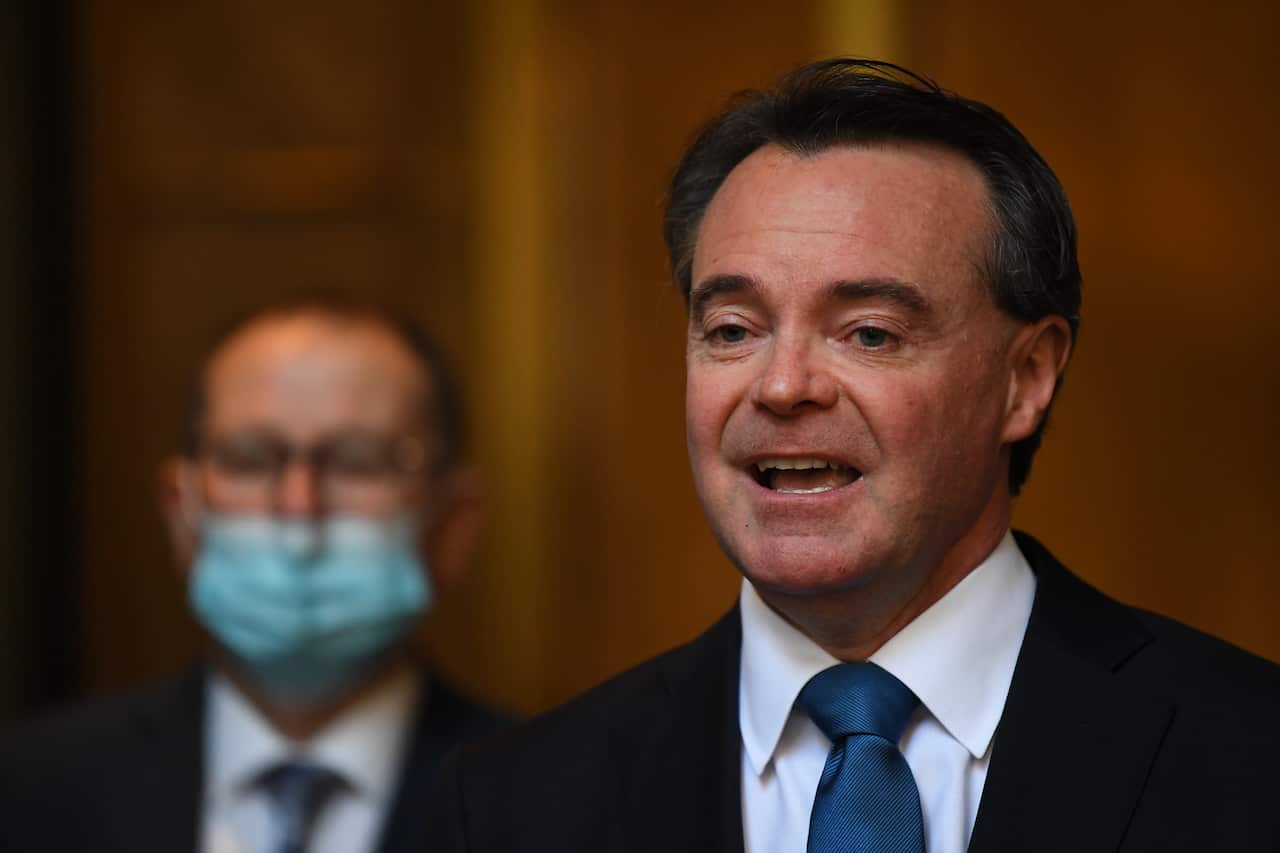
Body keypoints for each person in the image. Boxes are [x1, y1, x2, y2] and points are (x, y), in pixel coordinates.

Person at [422, 59, 1279, 852]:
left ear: (1025, 378)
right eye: (733, 330)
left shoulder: (1252, 755)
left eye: (869, 333)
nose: (781, 386)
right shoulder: (507, 808)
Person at [0, 299, 509, 852]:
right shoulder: (30, 791)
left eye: (358, 462)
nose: (299, 509)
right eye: (248, 459)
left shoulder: (539, 801)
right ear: (181, 514)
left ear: (452, 525)